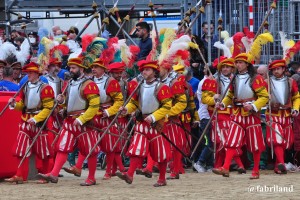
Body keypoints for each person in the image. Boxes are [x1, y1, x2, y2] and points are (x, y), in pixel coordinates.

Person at [37, 57, 100, 186]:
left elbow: (94, 106)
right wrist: (62, 102)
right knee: (62, 148)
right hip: (69, 121)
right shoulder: (70, 83)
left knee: (90, 151)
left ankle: (92, 177)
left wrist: (82, 119)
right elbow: (70, 101)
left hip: (84, 123)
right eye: (70, 67)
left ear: (81, 69)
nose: (71, 70)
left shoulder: (90, 84)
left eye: (73, 68)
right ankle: (54, 174)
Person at [63, 59, 125, 180]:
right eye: (93, 67)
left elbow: (119, 101)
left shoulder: (111, 81)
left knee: (109, 144)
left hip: (106, 115)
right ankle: (78, 166)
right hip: (92, 114)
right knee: (88, 143)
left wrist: (109, 111)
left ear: (103, 69)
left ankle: (109, 171)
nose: (93, 69)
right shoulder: (89, 81)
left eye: (96, 67)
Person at [116, 60, 172, 187]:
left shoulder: (162, 87)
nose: (144, 72)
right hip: (141, 122)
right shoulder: (138, 86)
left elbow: (167, 106)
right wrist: (126, 109)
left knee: (160, 154)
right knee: (137, 148)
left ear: (154, 72)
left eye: (147, 70)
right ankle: (129, 174)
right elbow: (134, 103)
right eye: (143, 70)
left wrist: (153, 117)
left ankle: (162, 179)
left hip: (156, 124)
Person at [213, 53, 269, 179]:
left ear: (247, 64)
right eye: (236, 62)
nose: (238, 65)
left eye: (240, 62)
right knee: (231, 140)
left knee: (255, 144)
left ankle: (256, 171)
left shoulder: (256, 78)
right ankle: (225, 167)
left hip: (251, 114)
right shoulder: (234, 78)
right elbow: (230, 95)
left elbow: (264, 97)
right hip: (237, 113)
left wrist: (253, 106)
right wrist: (222, 104)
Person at [4, 62, 55, 184]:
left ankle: (44, 175)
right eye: (27, 73)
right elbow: (22, 105)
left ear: (37, 74)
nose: (28, 75)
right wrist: (14, 104)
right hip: (25, 121)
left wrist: (37, 118)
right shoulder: (25, 86)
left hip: (39, 123)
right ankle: (20, 175)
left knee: (43, 151)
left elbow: (49, 108)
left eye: (31, 73)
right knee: (20, 149)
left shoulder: (45, 88)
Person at [199, 57, 246, 173]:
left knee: (230, 141)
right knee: (223, 141)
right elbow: (204, 99)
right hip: (219, 115)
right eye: (223, 67)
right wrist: (214, 99)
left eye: (228, 67)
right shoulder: (212, 80)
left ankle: (220, 164)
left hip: (234, 114)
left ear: (232, 68)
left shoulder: (236, 80)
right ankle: (239, 165)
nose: (225, 69)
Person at [266, 59, 300, 174]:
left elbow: (296, 97)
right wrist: (268, 102)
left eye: (278, 69)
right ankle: (281, 164)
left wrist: (295, 108)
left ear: (283, 69)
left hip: (286, 115)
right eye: (274, 69)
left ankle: (278, 165)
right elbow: (260, 97)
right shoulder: (267, 82)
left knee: (287, 142)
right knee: (277, 139)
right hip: (273, 115)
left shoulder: (291, 81)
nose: (276, 71)